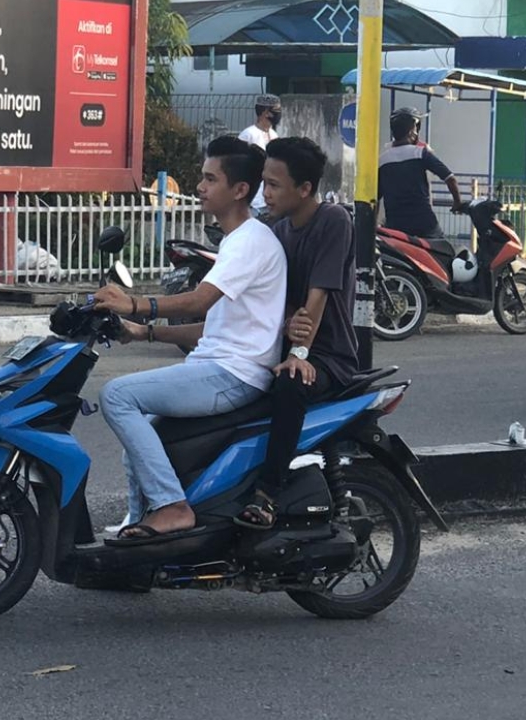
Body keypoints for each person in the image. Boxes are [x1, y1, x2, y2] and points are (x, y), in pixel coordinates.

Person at [90, 136, 287, 544]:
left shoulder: (250, 240)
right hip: (221, 367)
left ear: (239, 190)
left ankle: (172, 508)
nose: (199, 187)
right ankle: (139, 529)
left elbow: (199, 301)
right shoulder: (236, 242)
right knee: (139, 442)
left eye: (209, 179)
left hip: (235, 375)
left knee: (118, 396)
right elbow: (211, 328)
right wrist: (142, 332)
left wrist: (134, 304)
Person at [235, 137, 360, 529]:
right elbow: (278, 302)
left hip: (329, 357)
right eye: (263, 183)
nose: (265, 193)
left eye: (274, 185)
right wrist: (287, 324)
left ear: (305, 189)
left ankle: (267, 494)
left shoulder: (334, 221)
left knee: (290, 383)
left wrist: (300, 355)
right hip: (289, 347)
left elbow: (317, 297)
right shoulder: (276, 230)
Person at [378, 107, 463, 239]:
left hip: (395, 226)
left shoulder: (382, 161)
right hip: (425, 224)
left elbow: (375, 197)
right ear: (413, 130)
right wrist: (457, 203)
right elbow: (450, 178)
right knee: (444, 254)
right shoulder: (419, 153)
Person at [239, 94, 282, 218]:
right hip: (253, 200)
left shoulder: (274, 135)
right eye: (275, 111)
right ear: (265, 112)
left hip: (269, 198)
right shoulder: (248, 135)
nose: (278, 115)